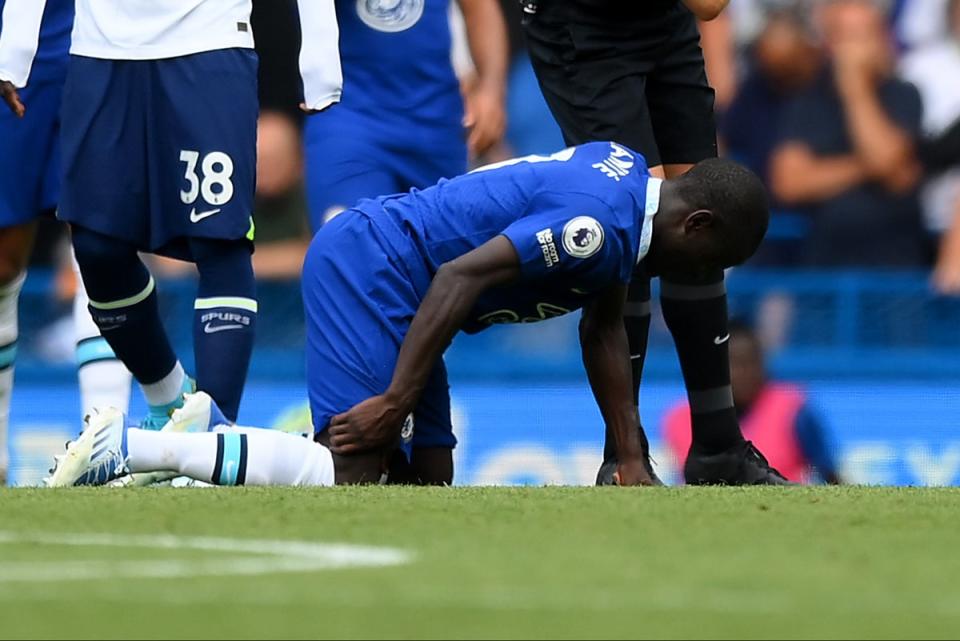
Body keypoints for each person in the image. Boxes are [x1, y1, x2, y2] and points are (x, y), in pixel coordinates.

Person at [46, 141, 786, 488]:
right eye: (713, 262)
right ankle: (138, 445)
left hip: (410, 281)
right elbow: (459, 277)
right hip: (376, 267)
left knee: (428, 481)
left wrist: (628, 455)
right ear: (697, 226)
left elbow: (601, 325)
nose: (705, 278)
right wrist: (396, 399)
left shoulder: (624, 188)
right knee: (351, 469)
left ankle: (197, 443)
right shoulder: (599, 227)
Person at [0, 1, 342, 432]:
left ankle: (213, 437)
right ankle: (170, 400)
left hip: (211, 43)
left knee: (220, 240)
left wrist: (319, 60)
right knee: (96, 246)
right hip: (99, 52)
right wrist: (12, 50)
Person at [521, 0, 779, 486]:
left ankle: (718, 449)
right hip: (583, 28)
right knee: (636, 220)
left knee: (702, 217)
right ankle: (622, 456)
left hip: (663, 21)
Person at [0, 0, 132, 483]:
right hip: (9, 39)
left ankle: (108, 452)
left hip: (102, 31)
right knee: (4, 259)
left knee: (103, 237)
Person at [303, 0, 508, 230]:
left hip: (438, 123)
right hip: (351, 119)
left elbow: (479, 8)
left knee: (451, 256)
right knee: (353, 244)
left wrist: (491, 90)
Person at [769, 0, 927, 267]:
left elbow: (889, 164)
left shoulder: (904, 94)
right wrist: (868, 166)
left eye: (864, 35)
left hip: (896, 269)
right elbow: (789, 182)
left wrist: (855, 87)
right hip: (825, 266)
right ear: (829, 45)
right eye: (847, 37)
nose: (856, 50)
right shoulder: (807, 101)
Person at [663, 321, 843, 485]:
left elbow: (829, 473)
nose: (744, 373)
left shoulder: (794, 410)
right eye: (734, 363)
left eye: (751, 363)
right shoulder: (680, 418)